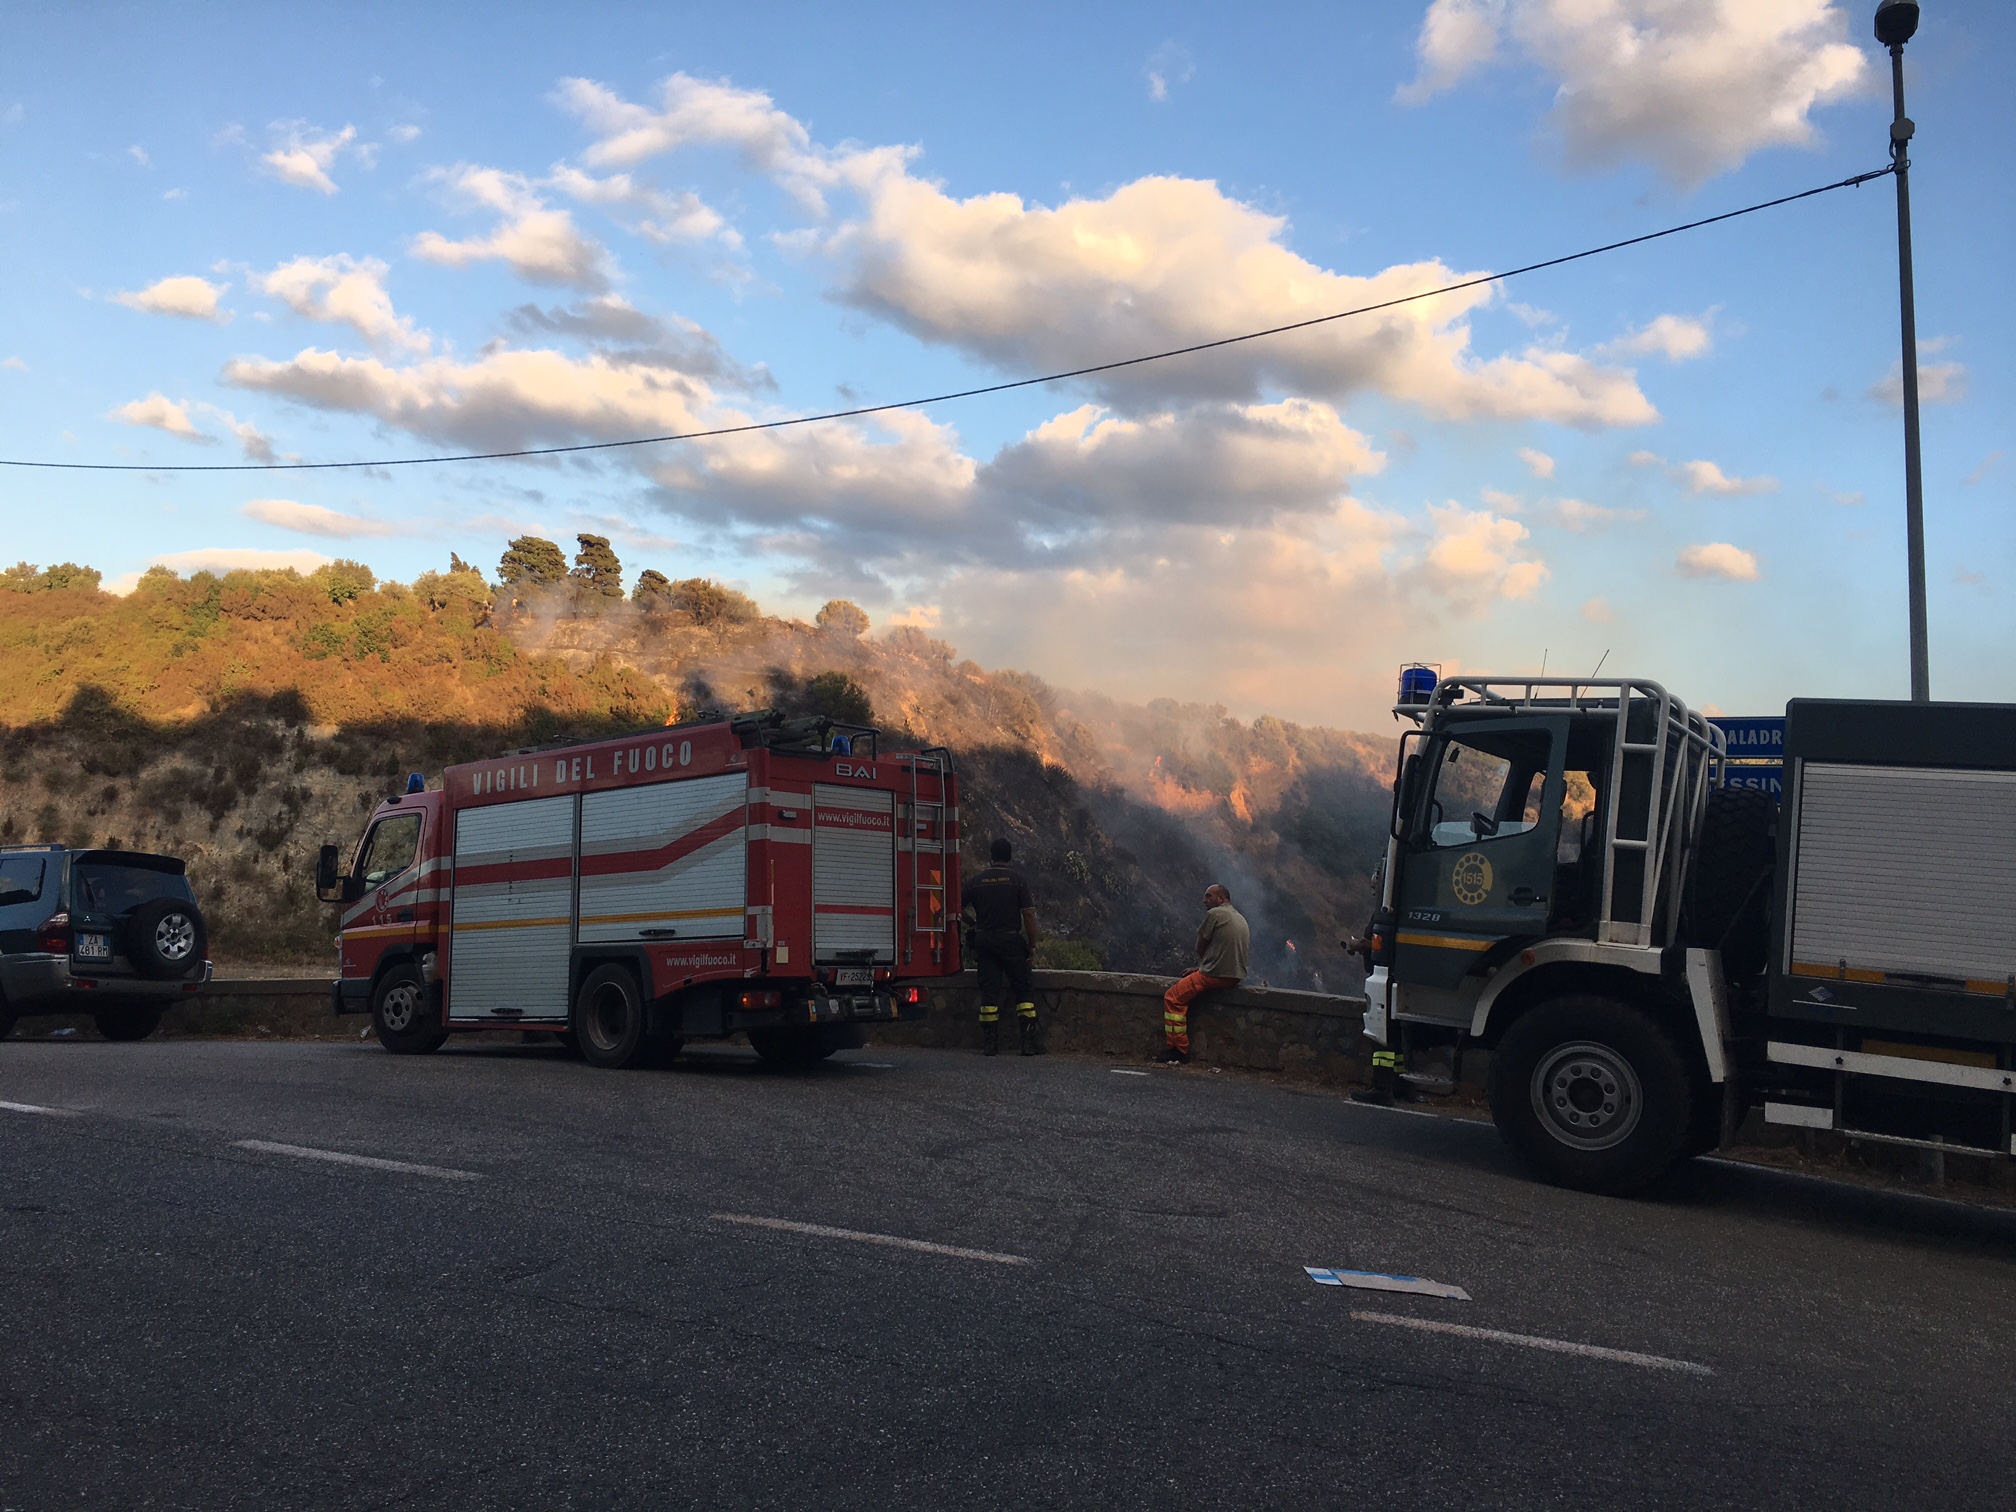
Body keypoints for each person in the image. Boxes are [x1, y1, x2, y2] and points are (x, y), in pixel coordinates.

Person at [963, 837, 1042, 1057]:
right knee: (1023, 990)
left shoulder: (976, 881)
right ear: (1009, 857)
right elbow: (1028, 914)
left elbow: (953, 908)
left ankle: (990, 1044)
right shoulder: (1018, 880)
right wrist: (1032, 945)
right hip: (1011, 941)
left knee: (989, 992)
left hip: (985, 942)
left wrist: (973, 923)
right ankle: (1028, 1043)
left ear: (991, 856)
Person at [1161, 884, 1249, 1064]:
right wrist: (1202, 968)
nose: (1204, 901)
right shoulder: (1238, 917)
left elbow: (1200, 946)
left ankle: (1178, 1050)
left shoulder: (1214, 914)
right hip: (1235, 975)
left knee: (1173, 998)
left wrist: (1204, 968)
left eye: (1209, 896)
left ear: (1222, 899)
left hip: (1215, 974)